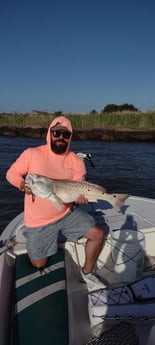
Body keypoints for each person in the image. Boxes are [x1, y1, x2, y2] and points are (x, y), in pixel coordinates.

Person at [6, 116, 105, 288]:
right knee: (39, 264)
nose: (60, 137)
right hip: (38, 221)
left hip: (66, 213)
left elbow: (79, 186)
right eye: (57, 133)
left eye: (65, 134)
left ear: (70, 137)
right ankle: (35, 236)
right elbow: (11, 174)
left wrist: (81, 198)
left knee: (98, 234)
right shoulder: (32, 154)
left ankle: (87, 272)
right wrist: (23, 184)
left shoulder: (76, 161)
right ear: (50, 134)